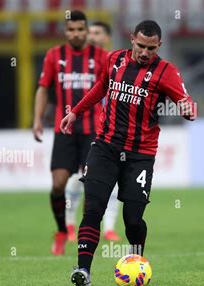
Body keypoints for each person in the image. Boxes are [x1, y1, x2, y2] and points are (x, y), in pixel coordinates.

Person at [61, 20, 197, 286]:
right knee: (93, 208)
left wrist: (188, 109)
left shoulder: (166, 72)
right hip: (105, 148)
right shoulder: (114, 60)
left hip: (140, 155)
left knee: (132, 219)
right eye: (141, 46)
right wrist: (75, 111)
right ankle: (83, 271)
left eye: (151, 48)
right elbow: (101, 88)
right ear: (132, 38)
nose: (145, 53)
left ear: (159, 46)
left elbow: (185, 101)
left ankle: (137, 261)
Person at [33, 10, 109, 255]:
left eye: (80, 29)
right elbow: (43, 89)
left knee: (91, 186)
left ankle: (87, 238)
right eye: (71, 30)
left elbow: (112, 90)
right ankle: (61, 231)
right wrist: (36, 120)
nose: (76, 34)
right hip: (63, 130)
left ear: (87, 31)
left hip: (92, 131)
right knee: (58, 185)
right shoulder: (54, 56)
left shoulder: (101, 57)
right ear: (65, 32)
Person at [65, 20, 122, 242]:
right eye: (90, 33)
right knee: (78, 177)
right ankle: (69, 225)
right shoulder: (77, 63)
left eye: (97, 33)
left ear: (106, 37)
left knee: (112, 179)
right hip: (83, 128)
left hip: (111, 131)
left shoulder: (118, 63)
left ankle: (109, 228)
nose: (92, 36)